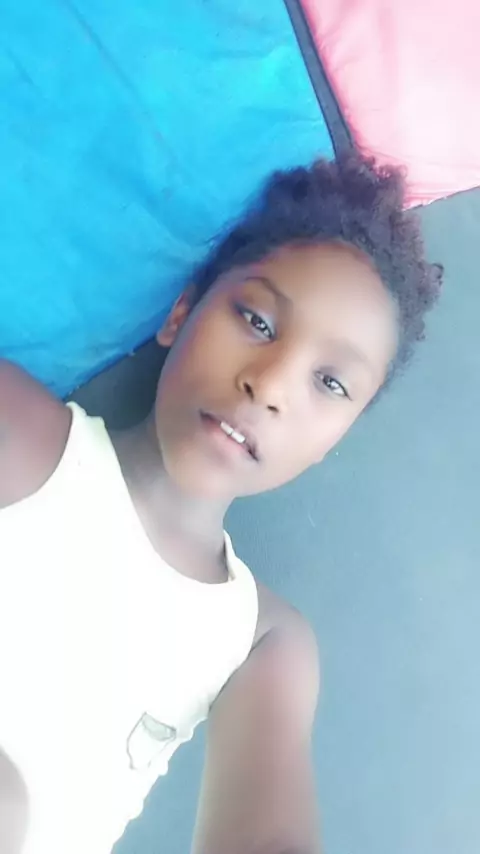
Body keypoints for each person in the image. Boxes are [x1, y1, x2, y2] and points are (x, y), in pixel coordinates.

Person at [0, 154, 442, 854]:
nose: (270, 385)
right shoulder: (19, 434)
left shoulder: (262, 640)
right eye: (258, 321)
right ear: (182, 313)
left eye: (330, 384)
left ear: (335, 439)